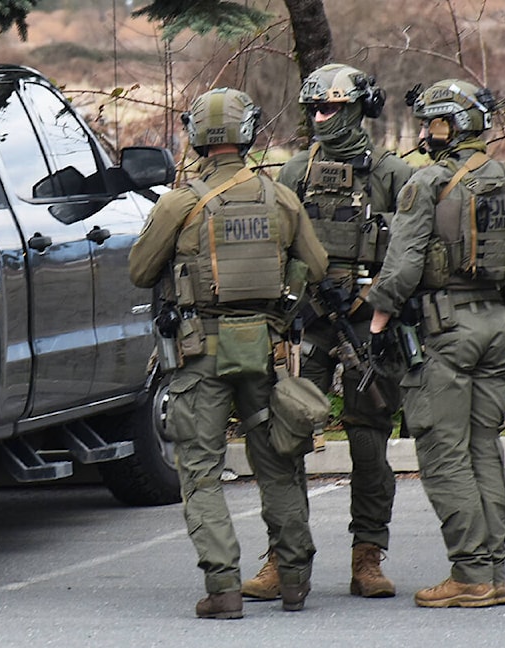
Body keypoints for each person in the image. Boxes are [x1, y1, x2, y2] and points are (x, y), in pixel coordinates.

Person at [129, 87, 328, 618]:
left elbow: (140, 271)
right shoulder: (280, 198)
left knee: (200, 470)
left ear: (197, 136)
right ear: (248, 134)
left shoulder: (179, 203)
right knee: (278, 466)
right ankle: (294, 582)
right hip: (265, 354)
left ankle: (224, 589)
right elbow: (317, 265)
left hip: (200, 357)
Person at [366, 79, 505, 607]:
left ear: (450, 125)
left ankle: (470, 574)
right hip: (499, 328)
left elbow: (402, 270)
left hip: (445, 332)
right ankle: (493, 570)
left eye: (431, 122)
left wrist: (377, 324)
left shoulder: (427, 184)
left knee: (443, 452)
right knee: (484, 449)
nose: (426, 132)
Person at [242, 64, 413, 602]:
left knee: (368, 441)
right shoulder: (295, 172)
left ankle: (368, 555)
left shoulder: (392, 173)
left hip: (370, 326)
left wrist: (379, 304)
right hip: (309, 323)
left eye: (331, 108)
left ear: (357, 108)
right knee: (287, 438)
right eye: (314, 108)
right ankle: (285, 558)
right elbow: (273, 246)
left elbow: (413, 251)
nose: (320, 117)